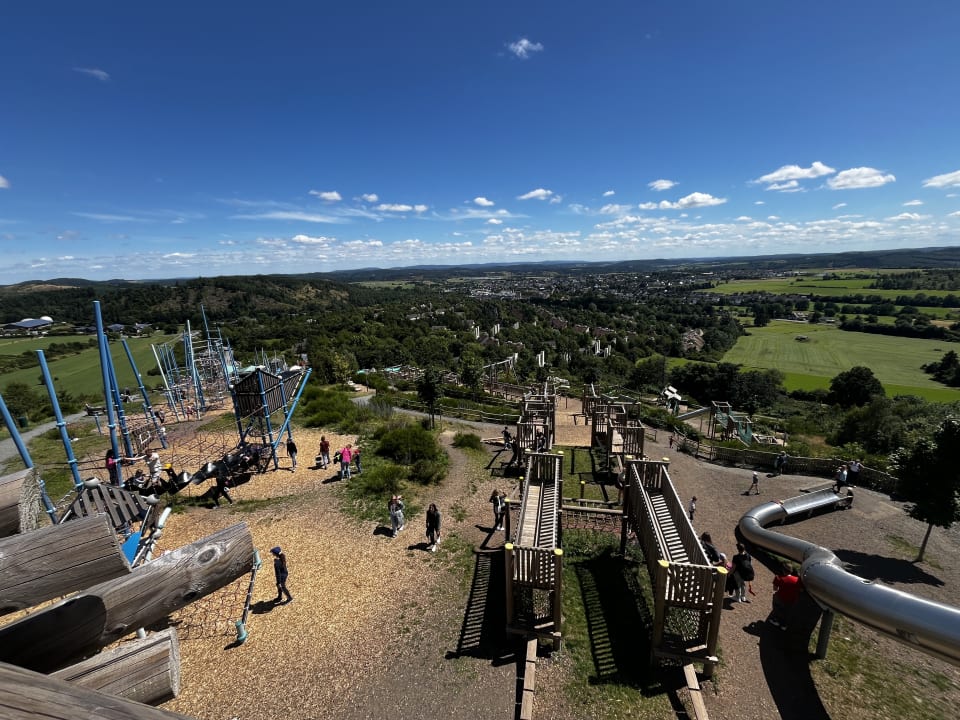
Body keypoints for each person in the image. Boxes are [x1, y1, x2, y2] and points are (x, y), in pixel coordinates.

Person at [770, 563, 802, 629]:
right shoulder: (797, 580)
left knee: (776, 601)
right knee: (787, 610)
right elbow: (800, 590)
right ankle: (784, 624)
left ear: (783, 570)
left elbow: (775, 589)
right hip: (791, 600)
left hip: (781, 598)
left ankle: (775, 619)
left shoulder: (778, 578)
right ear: (791, 571)